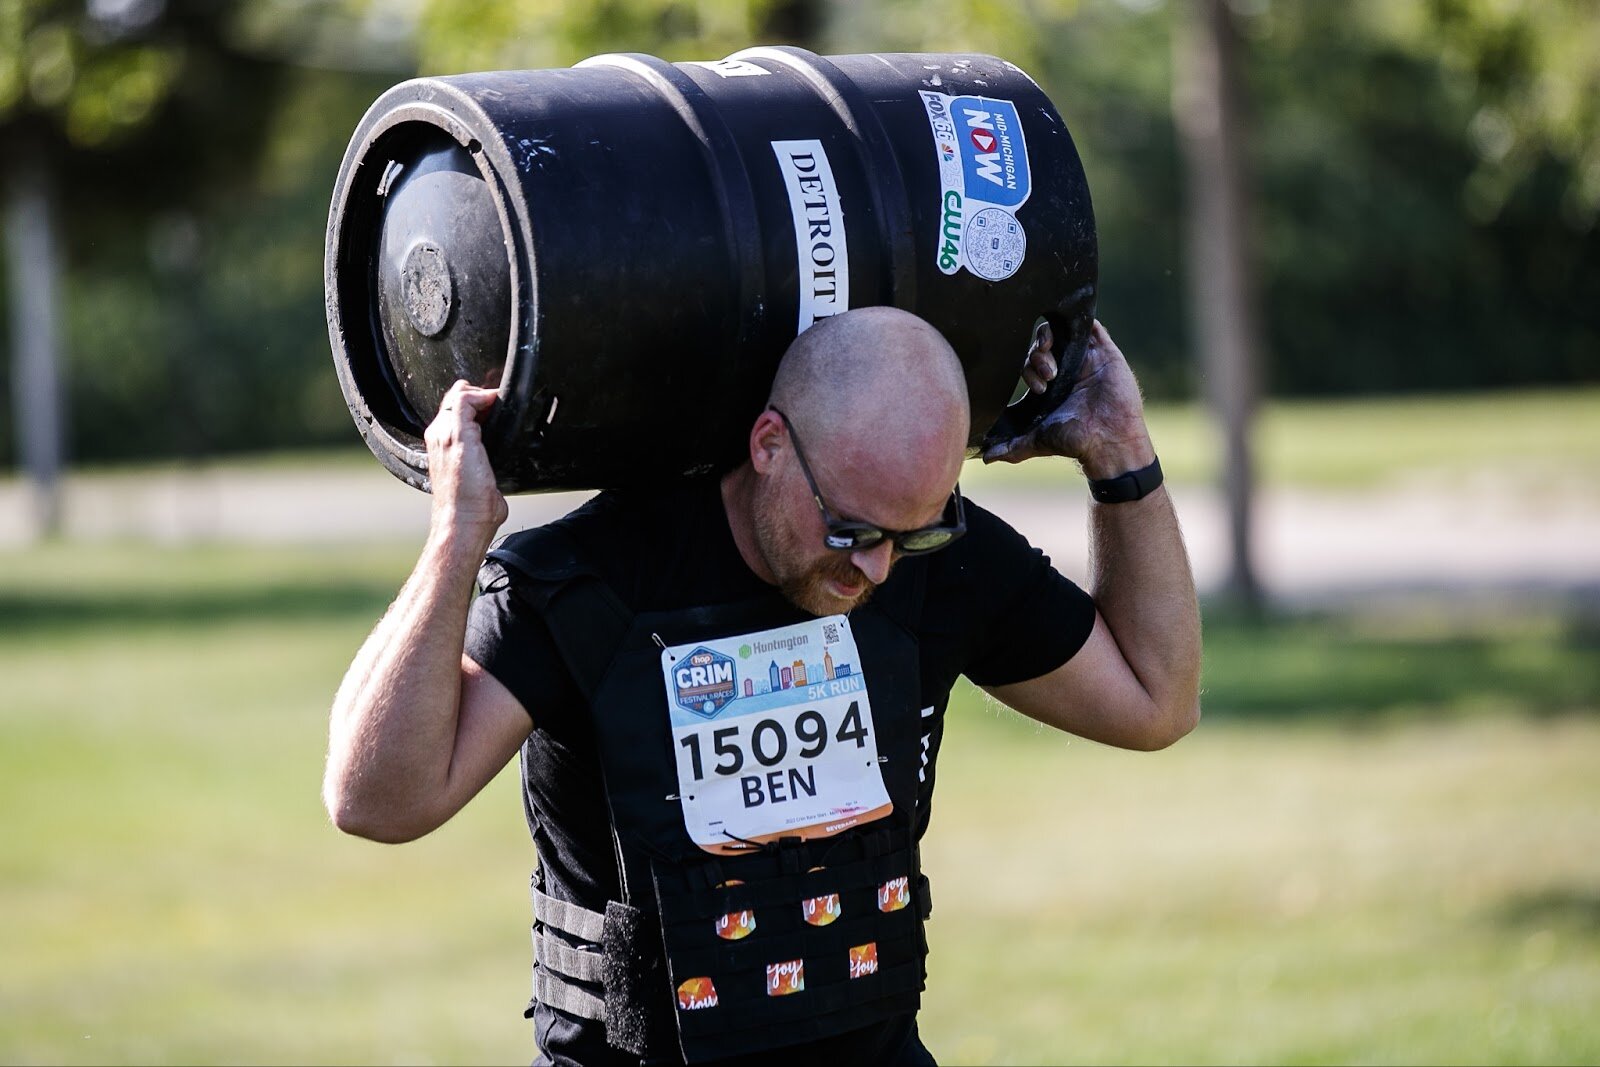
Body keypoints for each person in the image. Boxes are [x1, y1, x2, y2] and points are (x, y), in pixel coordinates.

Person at [323, 306, 1201, 1066]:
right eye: (851, 526)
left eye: (911, 533)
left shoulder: (933, 561)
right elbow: (373, 799)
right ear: (769, 444)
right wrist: (456, 535)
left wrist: (1120, 450)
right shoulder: (592, 583)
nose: (876, 567)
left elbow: (1156, 698)